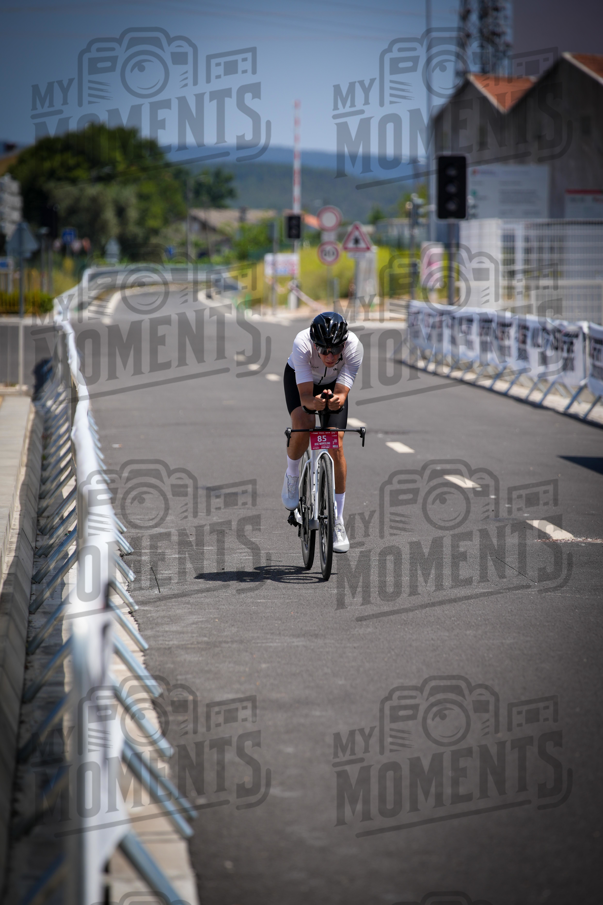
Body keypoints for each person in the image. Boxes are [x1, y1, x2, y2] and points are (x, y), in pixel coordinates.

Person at [281, 311, 363, 554]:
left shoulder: (355, 348)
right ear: (315, 344)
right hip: (301, 380)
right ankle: (292, 475)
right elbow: (305, 397)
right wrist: (314, 403)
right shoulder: (302, 343)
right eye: (324, 350)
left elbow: (341, 394)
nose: (330, 355)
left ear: (344, 344)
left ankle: (337, 520)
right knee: (302, 421)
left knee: (335, 441)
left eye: (335, 350)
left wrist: (334, 401)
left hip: (333, 384)